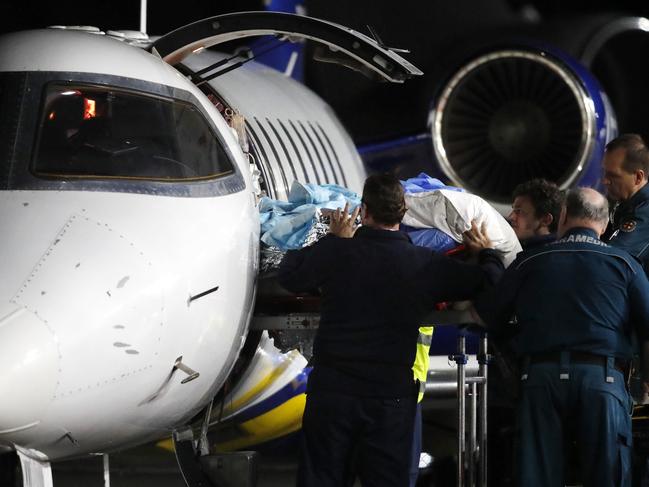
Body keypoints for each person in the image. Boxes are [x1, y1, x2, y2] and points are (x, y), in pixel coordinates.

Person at [277, 173, 504, 487]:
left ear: (364, 212)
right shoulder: (423, 263)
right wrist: (486, 253)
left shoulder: (337, 252)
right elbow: (489, 283)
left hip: (333, 394)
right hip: (389, 399)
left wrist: (333, 239)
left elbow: (289, 275)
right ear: (403, 213)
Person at [475, 187, 649, 487]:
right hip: (603, 382)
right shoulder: (625, 265)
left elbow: (490, 315)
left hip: (541, 380)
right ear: (605, 225)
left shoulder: (530, 262)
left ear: (563, 216)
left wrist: (487, 258)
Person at [601, 133, 649, 274]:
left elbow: (611, 261)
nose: (605, 181)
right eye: (604, 173)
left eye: (613, 176)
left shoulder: (644, 213)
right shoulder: (624, 204)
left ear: (638, 177)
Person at [508, 178, 563, 249]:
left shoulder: (539, 258)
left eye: (519, 211)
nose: (511, 217)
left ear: (546, 220)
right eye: (513, 210)